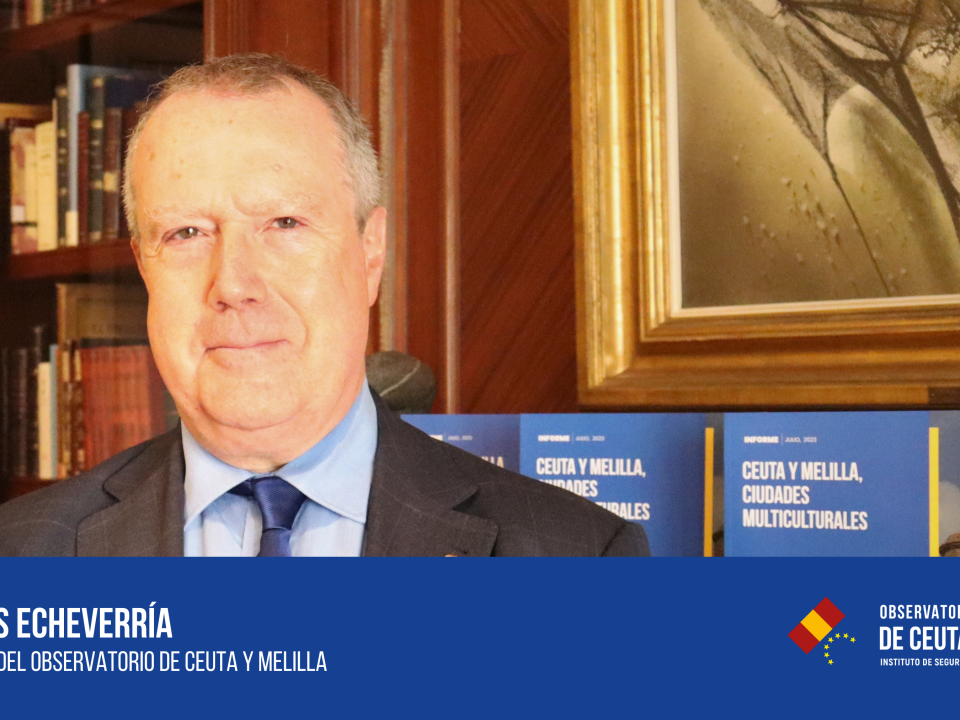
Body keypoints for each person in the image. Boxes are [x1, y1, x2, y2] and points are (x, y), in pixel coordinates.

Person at [0, 53, 649, 557]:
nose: (234, 284)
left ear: (371, 251)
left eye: (284, 223)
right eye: (187, 233)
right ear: (145, 266)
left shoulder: (577, 557)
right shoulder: (21, 553)